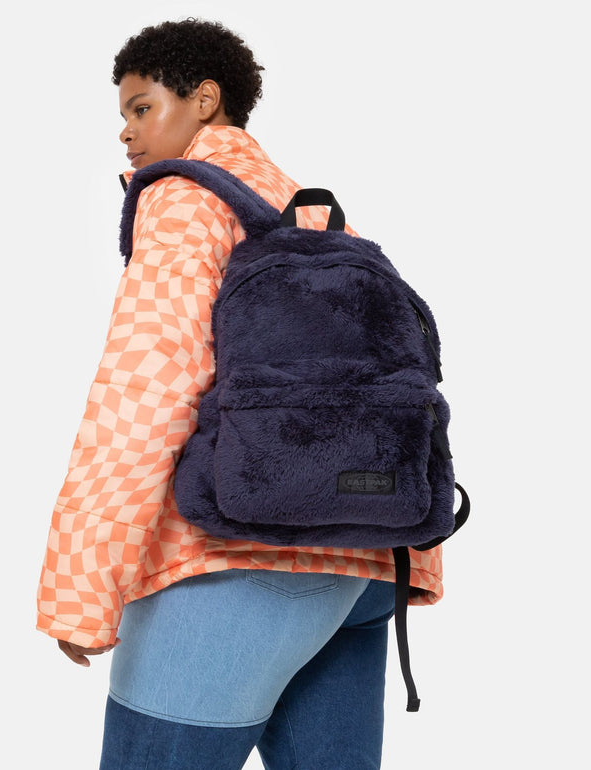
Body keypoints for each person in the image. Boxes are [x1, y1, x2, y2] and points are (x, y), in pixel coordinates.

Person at [37, 18, 444, 769]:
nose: (126, 131)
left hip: (235, 557)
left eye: (141, 107)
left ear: (205, 99)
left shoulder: (184, 199)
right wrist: (415, 556)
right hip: (362, 569)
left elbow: (144, 389)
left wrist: (82, 586)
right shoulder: (320, 214)